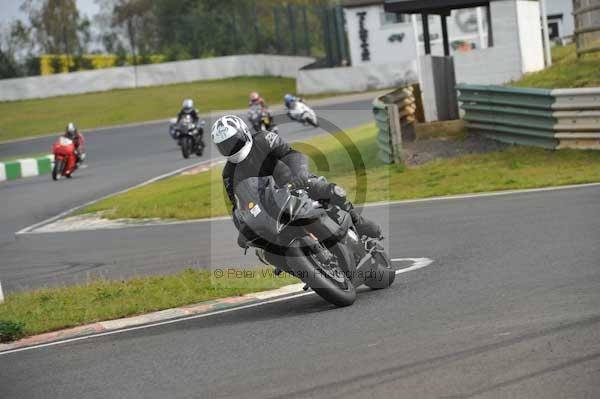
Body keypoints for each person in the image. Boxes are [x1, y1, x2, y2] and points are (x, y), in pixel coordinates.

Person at [210, 115, 381, 246]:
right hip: (269, 206)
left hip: (292, 181)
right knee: (264, 244)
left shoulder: (263, 139)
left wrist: (300, 173)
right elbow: (238, 205)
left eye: (234, 142)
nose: (231, 148)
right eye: (224, 146)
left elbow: (291, 154)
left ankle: (358, 222)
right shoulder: (228, 173)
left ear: (244, 133)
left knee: (327, 190)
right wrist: (243, 228)